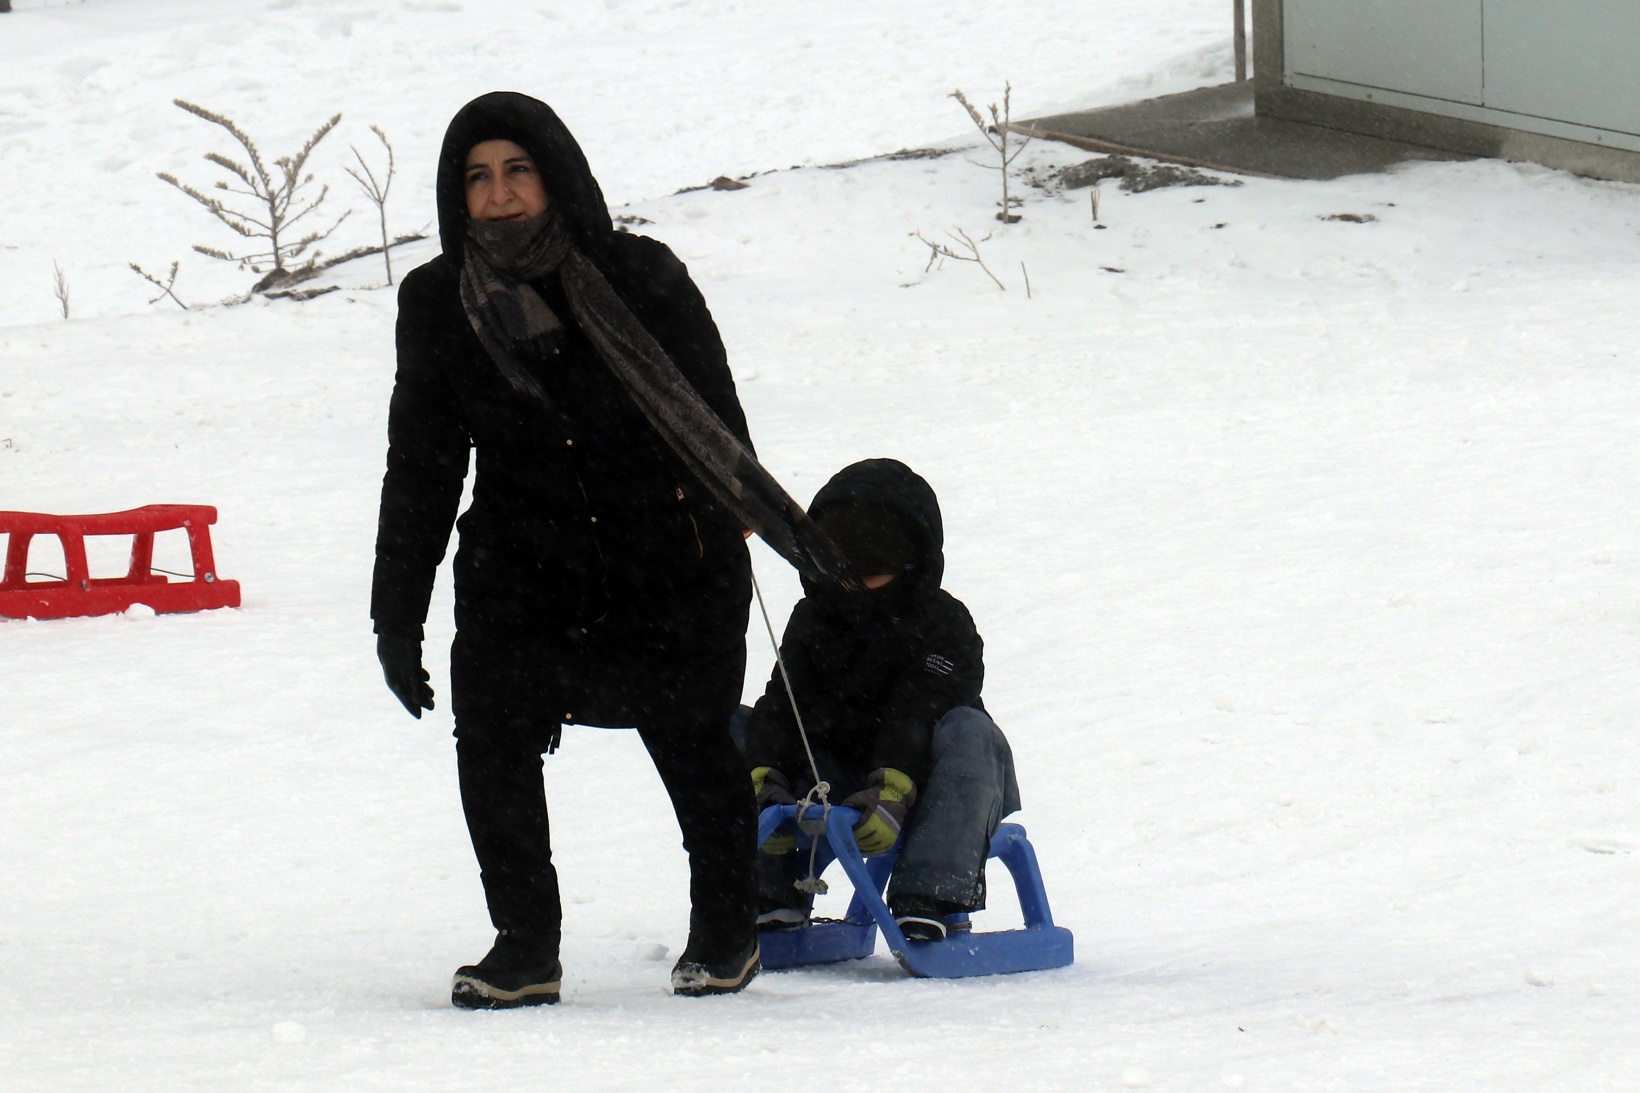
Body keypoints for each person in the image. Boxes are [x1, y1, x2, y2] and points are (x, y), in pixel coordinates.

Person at [372, 92, 761, 1007]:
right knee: (493, 738)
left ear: (557, 175)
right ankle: (525, 945)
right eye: (478, 177)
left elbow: (715, 420)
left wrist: (740, 520)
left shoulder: (639, 274)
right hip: (523, 569)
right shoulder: (437, 301)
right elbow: (422, 464)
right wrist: (396, 615)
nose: (499, 193)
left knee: (693, 738)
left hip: (666, 558)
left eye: (518, 170)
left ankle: (726, 930)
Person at [739, 459, 1021, 942]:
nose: (856, 573)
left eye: (875, 555)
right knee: (733, 728)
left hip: (932, 785)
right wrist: (766, 776)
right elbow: (785, 703)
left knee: (973, 732)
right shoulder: (813, 619)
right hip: (832, 776)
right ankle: (772, 889)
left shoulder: (943, 623)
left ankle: (928, 893)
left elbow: (921, 707)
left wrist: (893, 787)